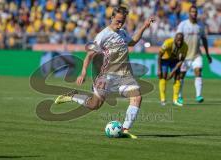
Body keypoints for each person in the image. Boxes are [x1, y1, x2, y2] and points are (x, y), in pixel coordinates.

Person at [55, 6, 154, 139]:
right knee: (94, 105)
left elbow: (133, 42)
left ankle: (125, 130)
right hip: (107, 76)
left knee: (137, 97)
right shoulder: (103, 35)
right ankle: (72, 96)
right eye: (118, 21)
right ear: (112, 18)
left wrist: (144, 26)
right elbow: (89, 55)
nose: (120, 24)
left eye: (122, 21)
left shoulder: (123, 33)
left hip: (125, 75)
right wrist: (83, 72)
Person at [176, 5, 212, 104]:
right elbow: (177, 38)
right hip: (184, 55)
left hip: (196, 54)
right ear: (189, 13)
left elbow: (204, 40)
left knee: (198, 71)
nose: (194, 13)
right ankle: (179, 96)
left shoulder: (200, 26)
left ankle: (198, 96)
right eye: (192, 11)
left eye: (195, 12)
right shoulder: (183, 25)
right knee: (181, 75)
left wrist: (208, 54)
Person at [158, 33, 188, 106]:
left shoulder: (185, 46)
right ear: (175, 39)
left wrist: (173, 72)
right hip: (164, 59)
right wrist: (159, 69)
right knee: (164, 76)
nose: (179, 42)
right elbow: (159, 55)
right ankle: (163, 99)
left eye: (181, 40)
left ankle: (175, 99)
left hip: (175, 60)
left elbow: (182, 60)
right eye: (178, 40)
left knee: (178, 77)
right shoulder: (168, 43)